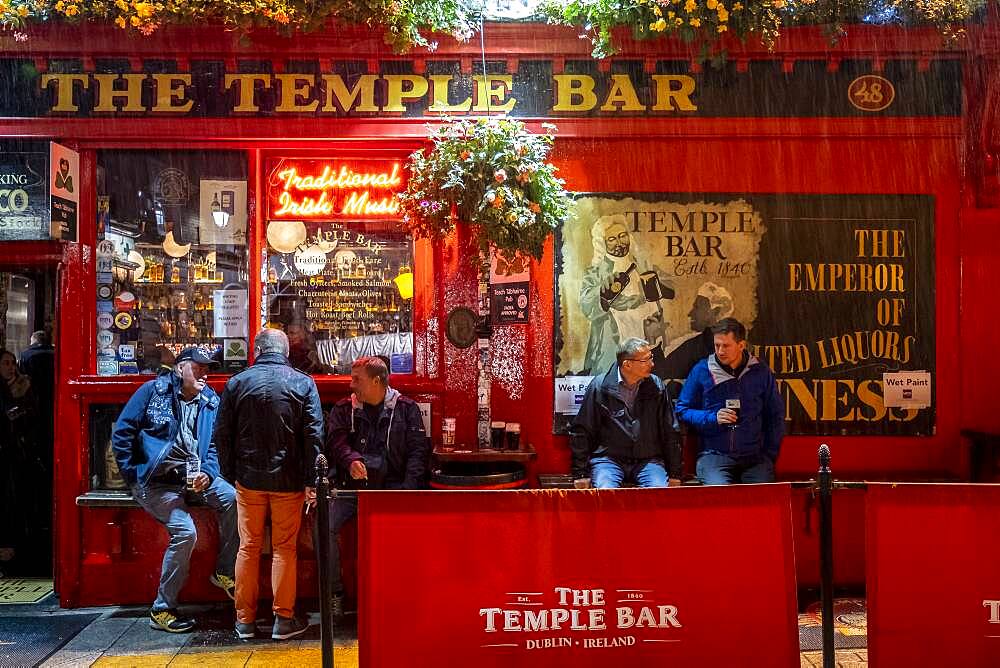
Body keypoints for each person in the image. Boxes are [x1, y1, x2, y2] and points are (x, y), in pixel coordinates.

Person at [111, 347, 238, 633]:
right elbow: (122, 433)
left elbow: (215, 446)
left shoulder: (210, 400)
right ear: (180, 368)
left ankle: (224, 571)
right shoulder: (152, 392)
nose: (206, 374)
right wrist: (134, 474)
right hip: (156, 481)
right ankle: (163, 608)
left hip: (192, 476)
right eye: (199, 367)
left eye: (209, 368)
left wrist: (208, 473)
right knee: (185, 531)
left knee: (234, 500)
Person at [214, 328, 323, 641]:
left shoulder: (237, 383)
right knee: (284, 549)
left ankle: (245, 621)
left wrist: (231, 473)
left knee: (247, 548)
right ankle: (282, 620)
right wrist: (310, 480)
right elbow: (313, 436)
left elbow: (222, 433)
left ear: (257, 351)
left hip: (248, 481)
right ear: (285, 352)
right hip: (288, 481)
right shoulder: (303, 382)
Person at [324, 356, 430, 618]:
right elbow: (335, 442)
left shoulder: (406, 409)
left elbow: (419, 453)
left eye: (356, 379)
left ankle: (395, 595)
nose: (351, 385)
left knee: (402, 536)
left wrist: (406, 492)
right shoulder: (344, 409)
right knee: (323, 526)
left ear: (377, 381)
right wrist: (350, 460)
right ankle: (334, 593)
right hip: (351, 489)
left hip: (391, 488)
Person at [675, 318, 785, 485]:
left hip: (754, 457)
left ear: (741, 345)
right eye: (717, 345)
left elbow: (776, 415)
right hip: (713, 456)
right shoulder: (702, 370)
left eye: (726, 346)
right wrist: (713, 418)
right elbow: (682, 410)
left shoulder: (760, 371)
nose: (720, 351)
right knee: (721, 498)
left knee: (761, 498)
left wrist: (769, 455)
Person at [569, 337, 682, 488]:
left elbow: (670, 430)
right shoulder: (599, 386)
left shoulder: (656, 386)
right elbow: (582, 430)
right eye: (645, 360)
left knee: (659, 492)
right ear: (627, 364)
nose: (652, 364)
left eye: (651, 358)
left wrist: (675, 473)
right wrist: (581, 473)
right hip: (608, 460)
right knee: (605, 490)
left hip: (648, 460)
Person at [579, 214, 674, 374]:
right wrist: (603, 290)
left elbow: (669, 290)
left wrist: (656, 284)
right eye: (612, 239)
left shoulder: (641, 263)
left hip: (648, 340)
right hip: (615, 343)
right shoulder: (597, 271)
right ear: (602, 243)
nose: (619, 242)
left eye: (623, 236)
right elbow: (586, 306)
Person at [651, 282, 735, 387]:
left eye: (697, 307)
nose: (690, 313)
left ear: (715, 312)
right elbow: (660, 374)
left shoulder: (697, 347)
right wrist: (652, 338)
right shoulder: (693, 346)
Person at [0, 349, 38, 575]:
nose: (10, 367)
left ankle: (12, 551)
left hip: (16, 452)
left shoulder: (24, 386)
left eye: (12, 363)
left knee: (13, 502)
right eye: (5, 363)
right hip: (5, 449)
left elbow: (33, 416)